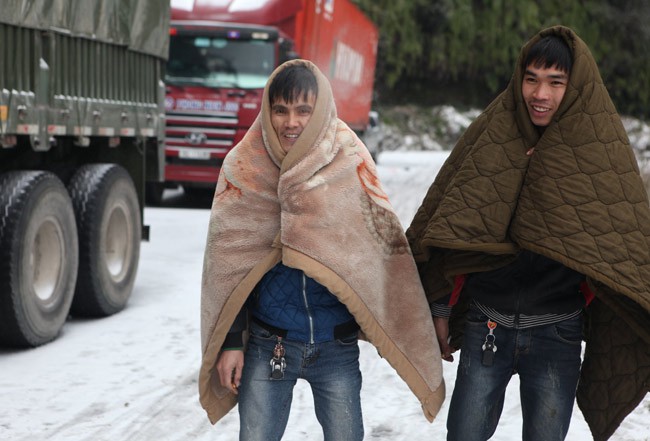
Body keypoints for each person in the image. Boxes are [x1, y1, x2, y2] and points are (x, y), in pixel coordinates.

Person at [406, 25, 650, 441]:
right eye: (532, 79)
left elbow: (621, 239)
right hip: (488, 324)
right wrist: (441, 310)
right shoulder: (493, 136)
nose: (541, 94)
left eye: (556, 83)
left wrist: (549, 176)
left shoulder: (600, 150)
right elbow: (452, 227)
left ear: (575, 87)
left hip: (558, 333)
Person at [199, 59, 445, 440]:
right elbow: (227, 266)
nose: (290, 122)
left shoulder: (349, 159)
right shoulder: (244, 166)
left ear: (321, 112)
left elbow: (381, 249)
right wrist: (231, 343)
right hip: (270, 344)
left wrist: (390, 322)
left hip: (336, 349)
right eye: (280, 110)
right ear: (267, 112)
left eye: (303, 110)